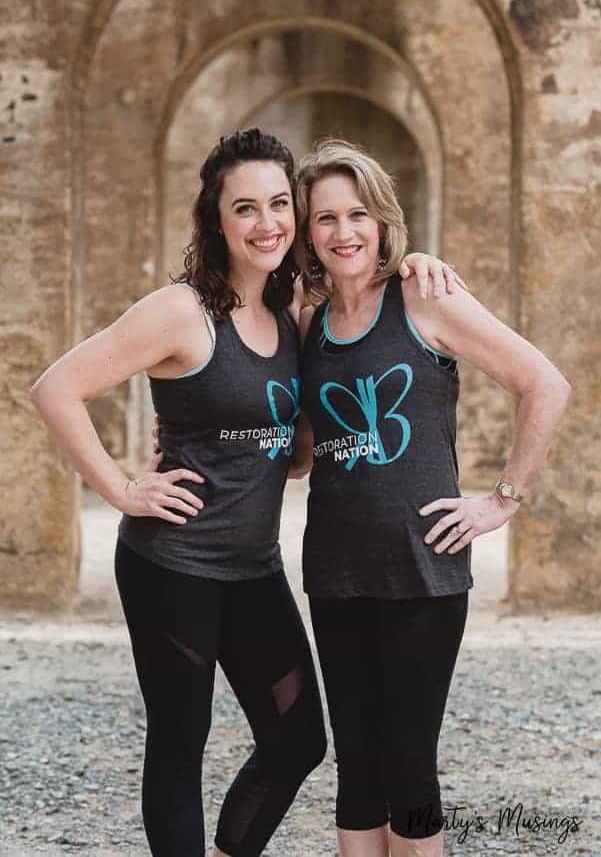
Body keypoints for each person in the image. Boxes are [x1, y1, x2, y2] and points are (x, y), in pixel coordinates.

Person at [30, 127, 458, 857]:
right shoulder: (178, 311)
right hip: (173, 566)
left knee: (297, 742)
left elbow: (288, 452)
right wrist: (122, 489)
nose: (267, 223)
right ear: (216, 220)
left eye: (278, 204)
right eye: (245, 209)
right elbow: (56, 388)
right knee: (179, 742)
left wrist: (412, 262)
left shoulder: (292, 317)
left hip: (253, 569)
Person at [291, 139, 571, 857]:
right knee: (354, 766)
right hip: (334, 570)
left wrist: (501, 499)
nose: (343, 232)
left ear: (382, 221)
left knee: (408, 769)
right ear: (305, 231)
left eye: (357, 214)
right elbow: (296, 455)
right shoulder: (305, 325)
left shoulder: (424, 296)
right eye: (324, 218)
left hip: (424, 571)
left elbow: (543, 382)